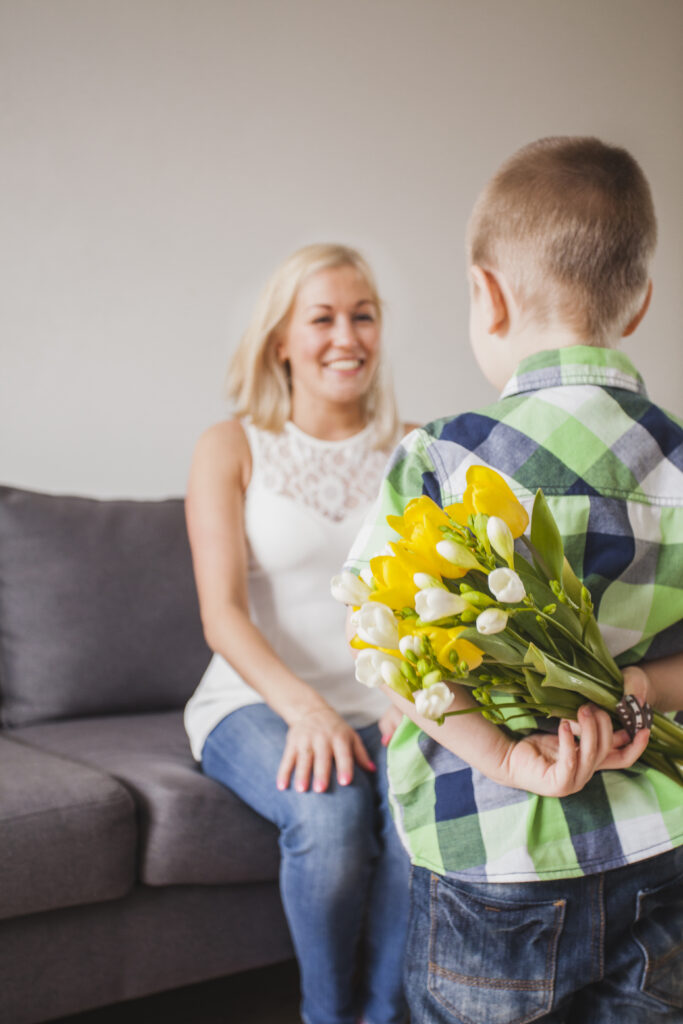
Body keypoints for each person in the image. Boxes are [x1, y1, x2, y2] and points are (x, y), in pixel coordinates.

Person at [343, 138, 683, 1022]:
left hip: (490, 858)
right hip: (663, 845)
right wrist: (635, 687)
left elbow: (386, 650)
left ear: (486, 295)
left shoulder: (445, 456)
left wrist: (501, 754)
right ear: (639, 302)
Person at [183, 243, 413, 1024]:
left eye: (363, 316)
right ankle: (325, 1017)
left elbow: (432, 602)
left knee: (425, 815)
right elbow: (222, 614)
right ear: (281, 339)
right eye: (322, 318)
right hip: (253, 701)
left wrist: (412, 699)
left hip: (384, 706)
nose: (344, 337)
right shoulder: (231, 445)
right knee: (330, 812)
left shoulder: (416, 450)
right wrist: (304, 711)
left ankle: (384, 1015)